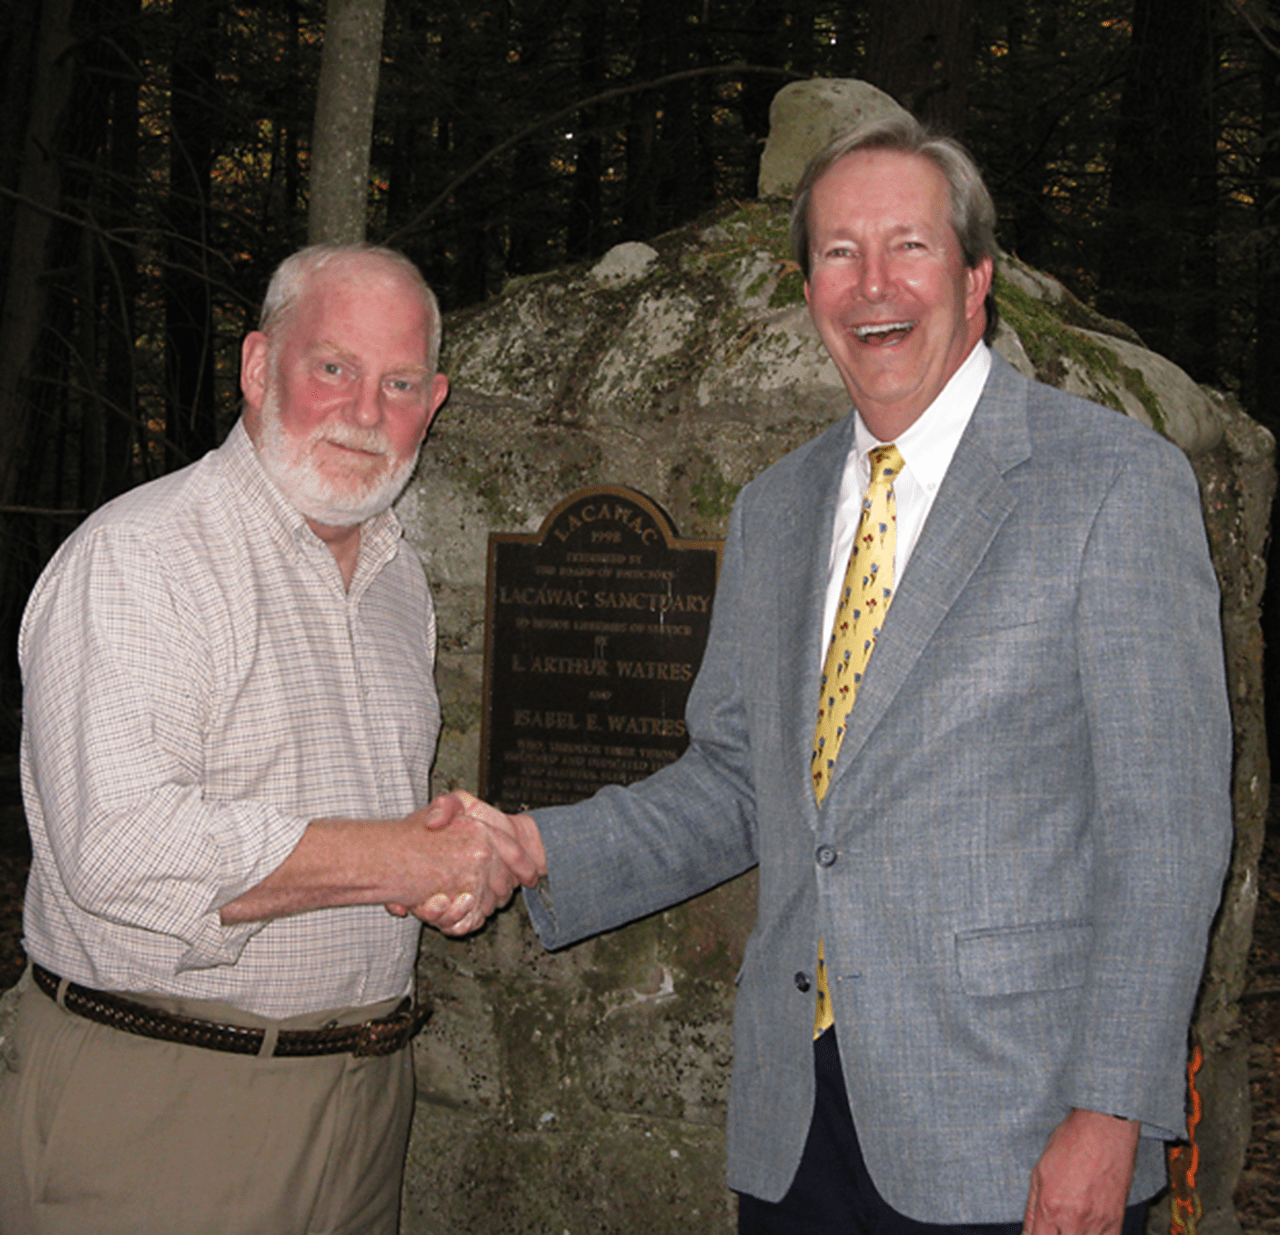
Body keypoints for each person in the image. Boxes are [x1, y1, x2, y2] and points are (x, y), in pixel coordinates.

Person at [425, 115, 1233, 1235]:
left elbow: (1167, 831)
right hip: (795, 1117)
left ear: (975, 276)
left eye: (907, 244)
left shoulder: (1110, 485)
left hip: (1015, 1125)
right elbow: (742, 781)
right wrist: (536, 845)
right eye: (838, 253)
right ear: (808, 290)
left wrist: (1110, 1111)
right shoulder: (774, 508)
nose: (871, 284)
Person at [0, 244, 538, 1235]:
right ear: (257, 367)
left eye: (401, 382)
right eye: (331, 368)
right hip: (162, 1106)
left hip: (364, 1104)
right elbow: (118, 848)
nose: (366, 411)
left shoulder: (396, 584)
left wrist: (443, 872)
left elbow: (350, 840)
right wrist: (400, 854)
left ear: (437, 398)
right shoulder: (142, 557)